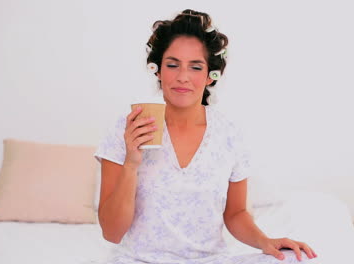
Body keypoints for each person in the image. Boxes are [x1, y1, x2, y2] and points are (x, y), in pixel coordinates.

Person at [94, 9, 317, 264]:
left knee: (298, 260)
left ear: (211, 75)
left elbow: (236, 213)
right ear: (157, 70)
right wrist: (131, 164)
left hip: (210, 260)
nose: (183, 77)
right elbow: (111, 232)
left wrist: (266, 242)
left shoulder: (229, 133)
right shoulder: (128, 129)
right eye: (172, 64)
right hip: (140, 260)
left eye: (195, 66)